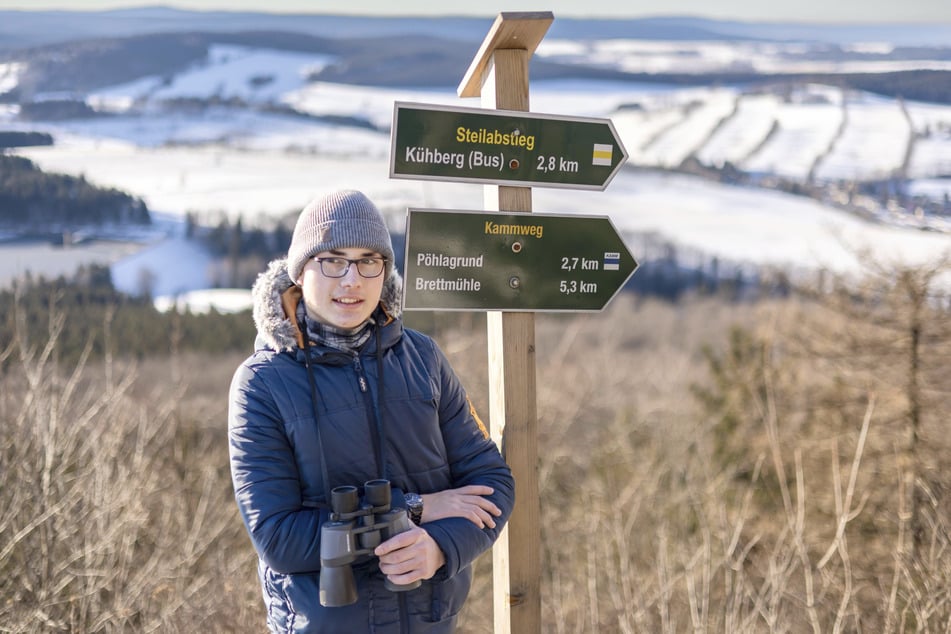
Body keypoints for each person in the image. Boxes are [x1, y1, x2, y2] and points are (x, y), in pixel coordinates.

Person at [228, 189, 515, 633]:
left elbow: (492, 485)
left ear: (385, 271)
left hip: (431, 622)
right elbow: (279, 539)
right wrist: (415, 510)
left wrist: (439, 547)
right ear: (300, 272)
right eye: (333, 260)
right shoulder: (262, 383)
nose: (352, 280)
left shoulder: (423, 359)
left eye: (369, 261)